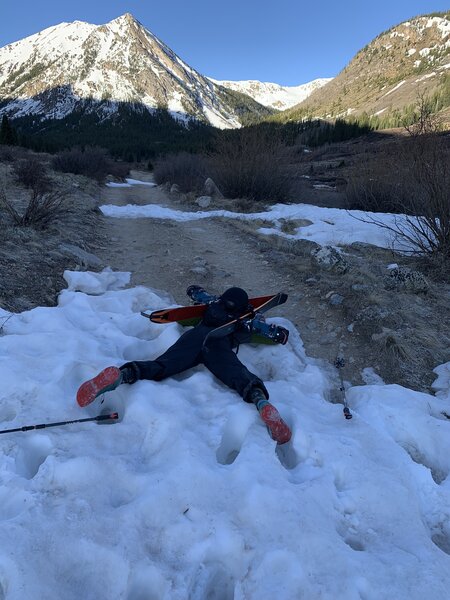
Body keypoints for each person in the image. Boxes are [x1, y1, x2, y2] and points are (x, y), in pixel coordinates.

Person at [77, 286, 292, 444]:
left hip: (193, 340)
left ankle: (122, 374)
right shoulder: (244, 319)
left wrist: (194, 290)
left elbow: (197, 293)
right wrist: (279, 334)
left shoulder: (212, 304)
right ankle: (261, 403)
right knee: (239, 375)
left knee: (162, 365)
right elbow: (271, 333)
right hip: (217, 346)